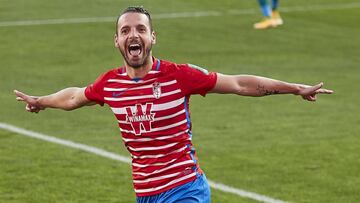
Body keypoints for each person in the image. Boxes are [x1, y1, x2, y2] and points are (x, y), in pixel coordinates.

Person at [14, 6, 333, 203]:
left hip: (185, 189)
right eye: (125, 30)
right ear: (117, 41)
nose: (133, 35)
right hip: (146, 194)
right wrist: (41, 101)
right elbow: (73, 97)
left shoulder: (179, 76)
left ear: (153, 38)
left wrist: (295, 88)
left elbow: (239, 83)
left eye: (141, 29)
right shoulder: (110, 84)